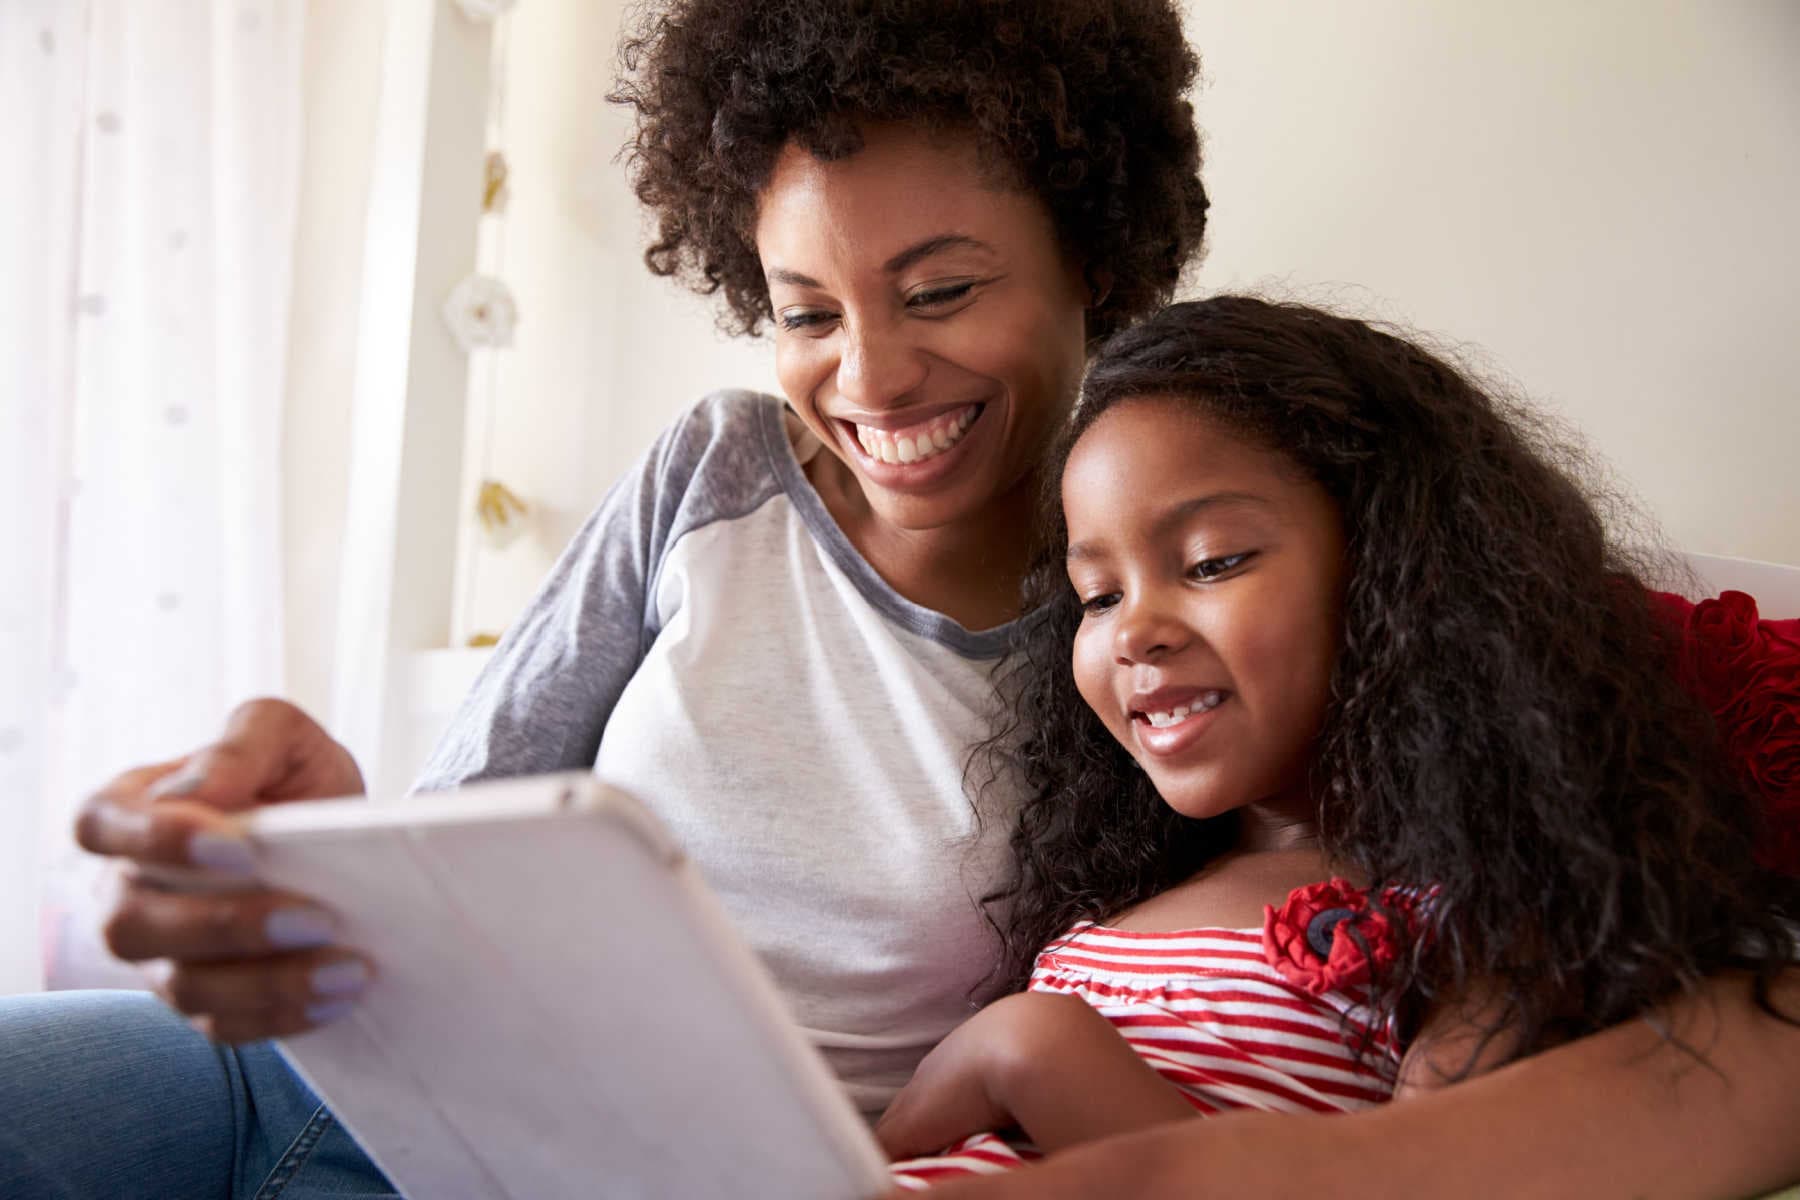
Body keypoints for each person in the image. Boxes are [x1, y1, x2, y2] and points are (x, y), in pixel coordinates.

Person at [0, 3, 1795, 1198]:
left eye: (939, 288)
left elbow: (1505, 689)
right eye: (803, 308)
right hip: (322, 1083)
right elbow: (461, 842)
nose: (869, 376)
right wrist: (337, 850)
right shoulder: (711, 472)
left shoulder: (1178, 665)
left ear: (1094, 255)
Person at [871, 297, 1800, 1190]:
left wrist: (1036, 1053)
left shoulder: (1477, 923)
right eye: (1098, 595)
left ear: (1395, 578)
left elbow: (1407, 1180)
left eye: (1210, 562)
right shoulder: (1107, 915)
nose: (1132, 631)